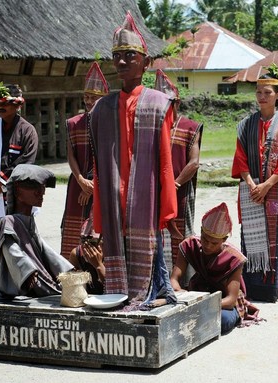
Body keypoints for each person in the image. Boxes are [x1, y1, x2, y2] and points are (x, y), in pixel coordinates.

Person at [89, 11, 180, 309]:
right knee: (117, 241)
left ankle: (153, 294)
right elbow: (98, 161)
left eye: (130, 55)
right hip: (115, 191)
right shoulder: (102, 107)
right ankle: (119, 293)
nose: (123, 62)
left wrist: (166, 200)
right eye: (117, 56)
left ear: (145, 61)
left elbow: (165, 159)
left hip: (145, 193)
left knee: (149, 246)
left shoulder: (157, 103)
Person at [231, 63, 278, 303]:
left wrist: (266, 185)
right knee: (250, 237)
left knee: (275, 238)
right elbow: (240, 159)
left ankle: (274, 290)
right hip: (251, 190)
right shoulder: (245, 125)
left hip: (276, 190)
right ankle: (253, 288)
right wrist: (251, 183)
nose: (262, 97)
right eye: (259, 92)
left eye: (267, 92)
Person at [0, 83, 38, 293]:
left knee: (15, 239)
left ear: (17, 105)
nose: (1, 106)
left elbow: (26, 161)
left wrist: (1, 180)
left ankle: (18, 282)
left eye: (6, 103)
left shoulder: (27, 130)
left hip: (15, 195)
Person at [170, 203, 260, 334]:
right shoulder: (189, 245)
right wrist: (180, 293)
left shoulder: (234, 258)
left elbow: (230, 300)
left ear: (224, 239)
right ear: (200, 231)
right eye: (205, 240)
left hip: (221, 303)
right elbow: (174, 278)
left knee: (223, 320)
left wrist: (202, 305)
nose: (208, 246)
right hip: (197, 295)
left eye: (214, 243)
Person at [154, 69, 203, 284]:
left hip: (180, 192)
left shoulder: (190, 127)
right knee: (154, 236)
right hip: (154, 192)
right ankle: (155, 280)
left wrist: (173, 184)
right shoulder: (149, 128)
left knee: (181, 235)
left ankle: (182, 282)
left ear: (177, 102)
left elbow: (193, 162)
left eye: (168, 102)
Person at [0, 164, 74, 298]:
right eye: (34, 187)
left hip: (39, 274)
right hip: (24, 280)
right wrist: (27, 270)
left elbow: (44, 249)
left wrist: (65, 269)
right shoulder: (7, 221)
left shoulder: (30, 221)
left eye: (42, 187)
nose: (41, 192)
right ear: (18, 192)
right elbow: (11, 250)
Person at [60, 62, 109, 258]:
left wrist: (93, 186)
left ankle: (98, 272)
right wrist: (81, 180)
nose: (89, 101)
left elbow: (108, 158)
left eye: (94, 98)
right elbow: (71, 155)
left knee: (98, 229)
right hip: (77, 183)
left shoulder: (110, 125)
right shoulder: (73, 124)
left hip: (102, 184)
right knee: (71, 227)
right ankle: (71, 270)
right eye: (86, 97)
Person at [68, 217, 105, 295]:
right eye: (84, 240)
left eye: (93, 242)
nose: (87, 246)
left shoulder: (112, 256)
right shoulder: (77, 254)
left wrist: (99, 266)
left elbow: (114, 289)